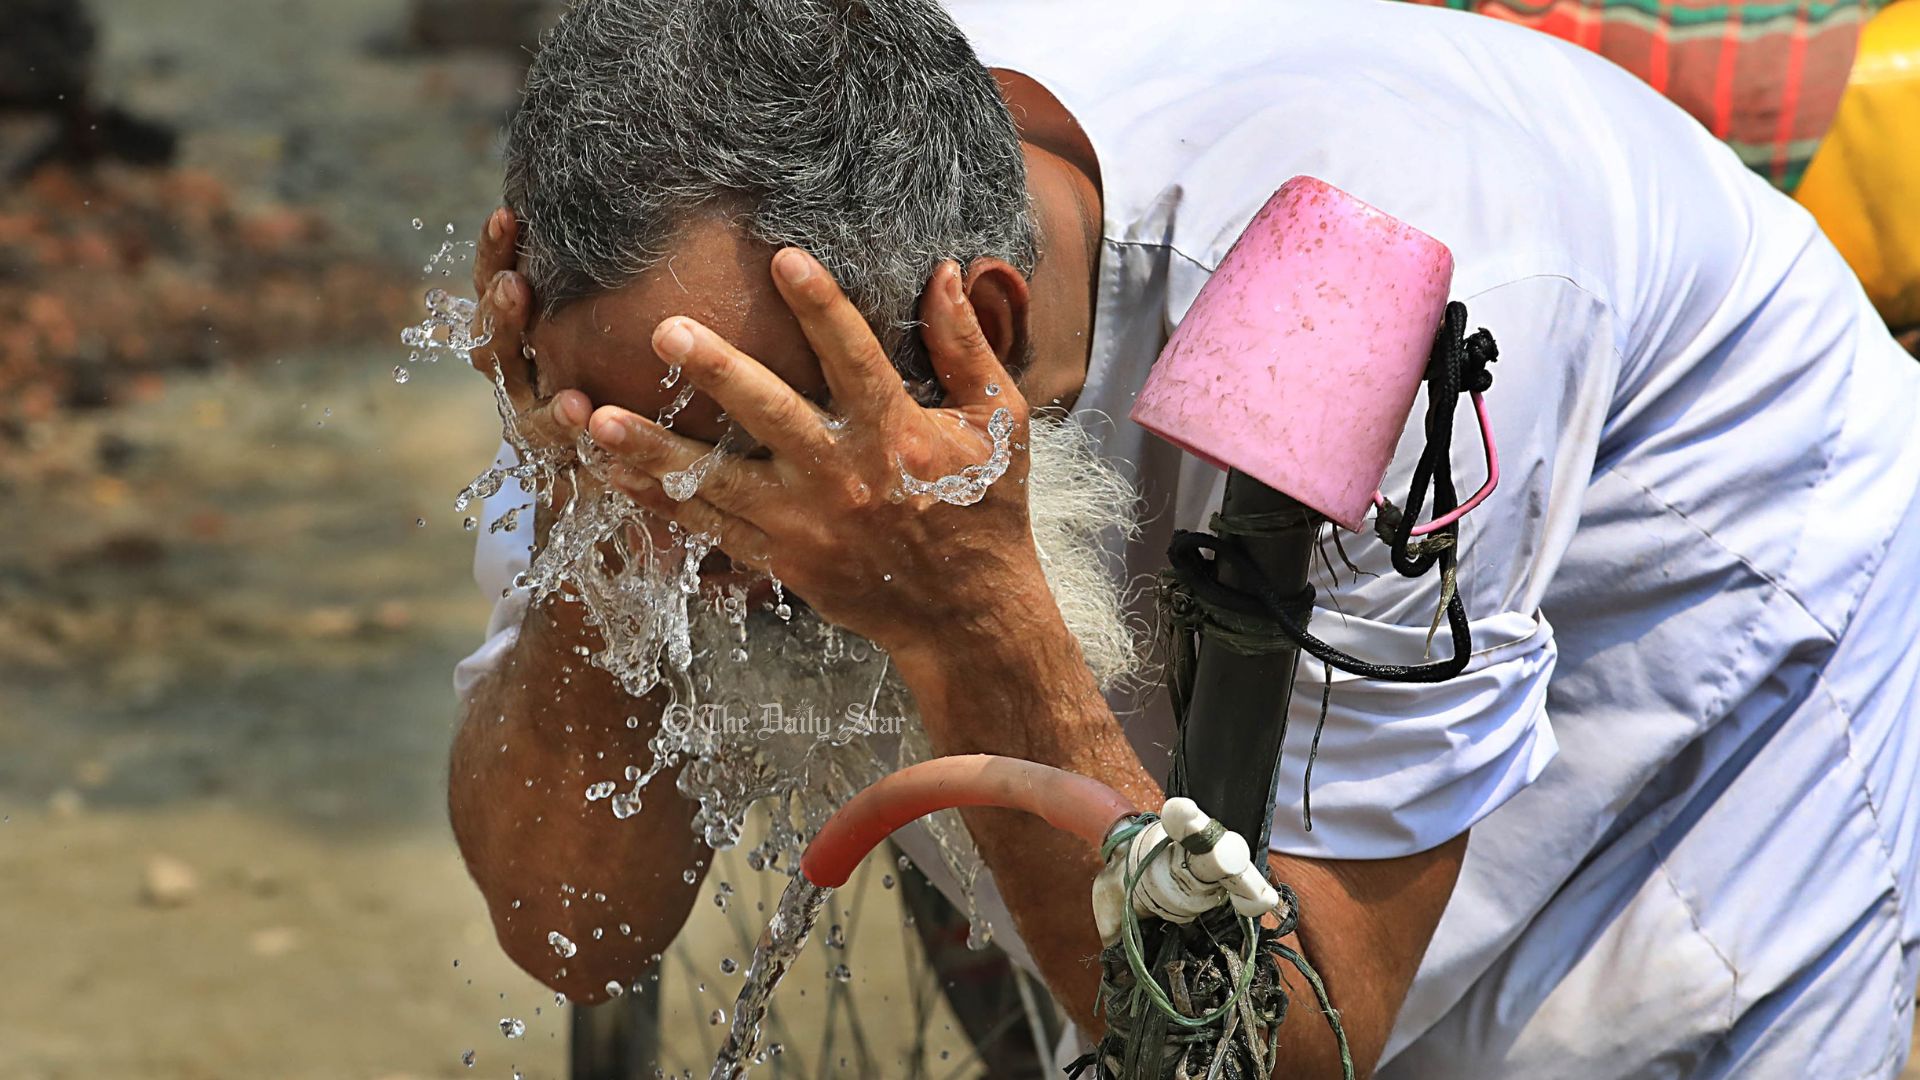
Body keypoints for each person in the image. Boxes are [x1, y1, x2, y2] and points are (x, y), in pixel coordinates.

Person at [448, 0, 1920, 1075]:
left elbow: (1294, 1040)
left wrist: (970, 620)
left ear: (990, 331)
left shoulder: (1353, 291)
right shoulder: (651, 358)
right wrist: (605, 517)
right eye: (613, 448)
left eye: (738, 456)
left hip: (1694, 643)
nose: (690, 519)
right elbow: (570, 928)